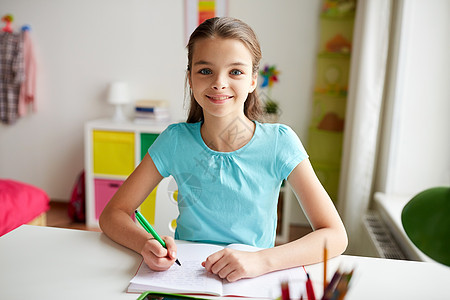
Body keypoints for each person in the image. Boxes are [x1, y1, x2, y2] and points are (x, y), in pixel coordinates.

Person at [100, 17, 347, 283]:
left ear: (254, 80)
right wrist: (145, 243)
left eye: (235, 72)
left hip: (253, 281)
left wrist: (261, 261)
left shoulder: (280, 142)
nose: (219, 83)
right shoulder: (174, 140)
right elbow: (113, 214)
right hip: (187, 279)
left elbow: (334, 235)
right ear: (190, 79)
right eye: (205, 71)